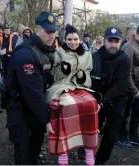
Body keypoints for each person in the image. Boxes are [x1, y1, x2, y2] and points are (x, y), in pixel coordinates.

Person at [6, 11, 58, 165]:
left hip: (34, 107)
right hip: (19, 106)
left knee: (36, 141)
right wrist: (46, 119)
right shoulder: (26, 54)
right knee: (23, 148)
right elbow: (33, 92)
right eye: (48, 31)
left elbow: (46, 78)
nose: (51, 35)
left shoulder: (44, 48)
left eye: (54, 31)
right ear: (37, 31)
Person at [46, 24, 99, 165]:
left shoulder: (88, 55)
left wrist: (82, 76)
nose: (72, 42)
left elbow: (88, 77)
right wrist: (62, 70)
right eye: (69, 39)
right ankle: (63, 153)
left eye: (75, 39)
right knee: (67, 105)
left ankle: (88, 149)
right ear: (65, 39)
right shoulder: (58, 53)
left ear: (80, 39)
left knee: (91, 104)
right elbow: (54, 76)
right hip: (62, 86)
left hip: (80, 87)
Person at [91, 27, 132, 164]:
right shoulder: (95, 56)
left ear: (120, 42)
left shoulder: (124, 59)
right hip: (97, 100)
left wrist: (103, 101)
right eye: (110, 41)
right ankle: (88, 155)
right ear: (104, 40)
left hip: (116, 101)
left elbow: (121, 84)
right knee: (92, 130)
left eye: (116, 41)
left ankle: (101, 161)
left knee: (111, 135)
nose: (113, 45)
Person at [118, 23, 139, 150]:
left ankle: (134, 135)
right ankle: (122, 136)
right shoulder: (129, 47)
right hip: (130, 87)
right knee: (125, 113)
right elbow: (126, 72)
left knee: (137, 112)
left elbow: (136, 65)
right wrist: (134, 90)